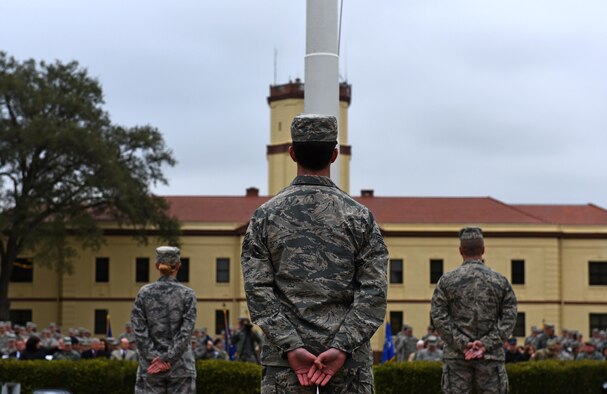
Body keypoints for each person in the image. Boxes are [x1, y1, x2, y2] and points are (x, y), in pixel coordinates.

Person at [241, 114, 389, 393]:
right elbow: (374, 292)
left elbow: (258, 290)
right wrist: (342, 347)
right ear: (334, 155)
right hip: (348, 364)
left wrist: (292, 346)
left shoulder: (265, 217)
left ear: (292, 153)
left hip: (285, 364)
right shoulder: (359, 217)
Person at [431, 227, 518, 394]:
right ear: (483, 250)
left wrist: (463, 343)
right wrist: (485, 344)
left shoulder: (447, 281)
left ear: (460, 250)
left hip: (457, 357)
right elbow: (510, 317)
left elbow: (439, 317)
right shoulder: (500, 281)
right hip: (490, 358)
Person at [131, 246, 197, 394]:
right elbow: (186, 332)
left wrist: (154, 358)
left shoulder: (144, 293)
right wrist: (168, 359)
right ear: (179, 265)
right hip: (180, 367)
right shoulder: (187, 295)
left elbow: (139, 330)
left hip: (150, 366)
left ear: (156, 266)